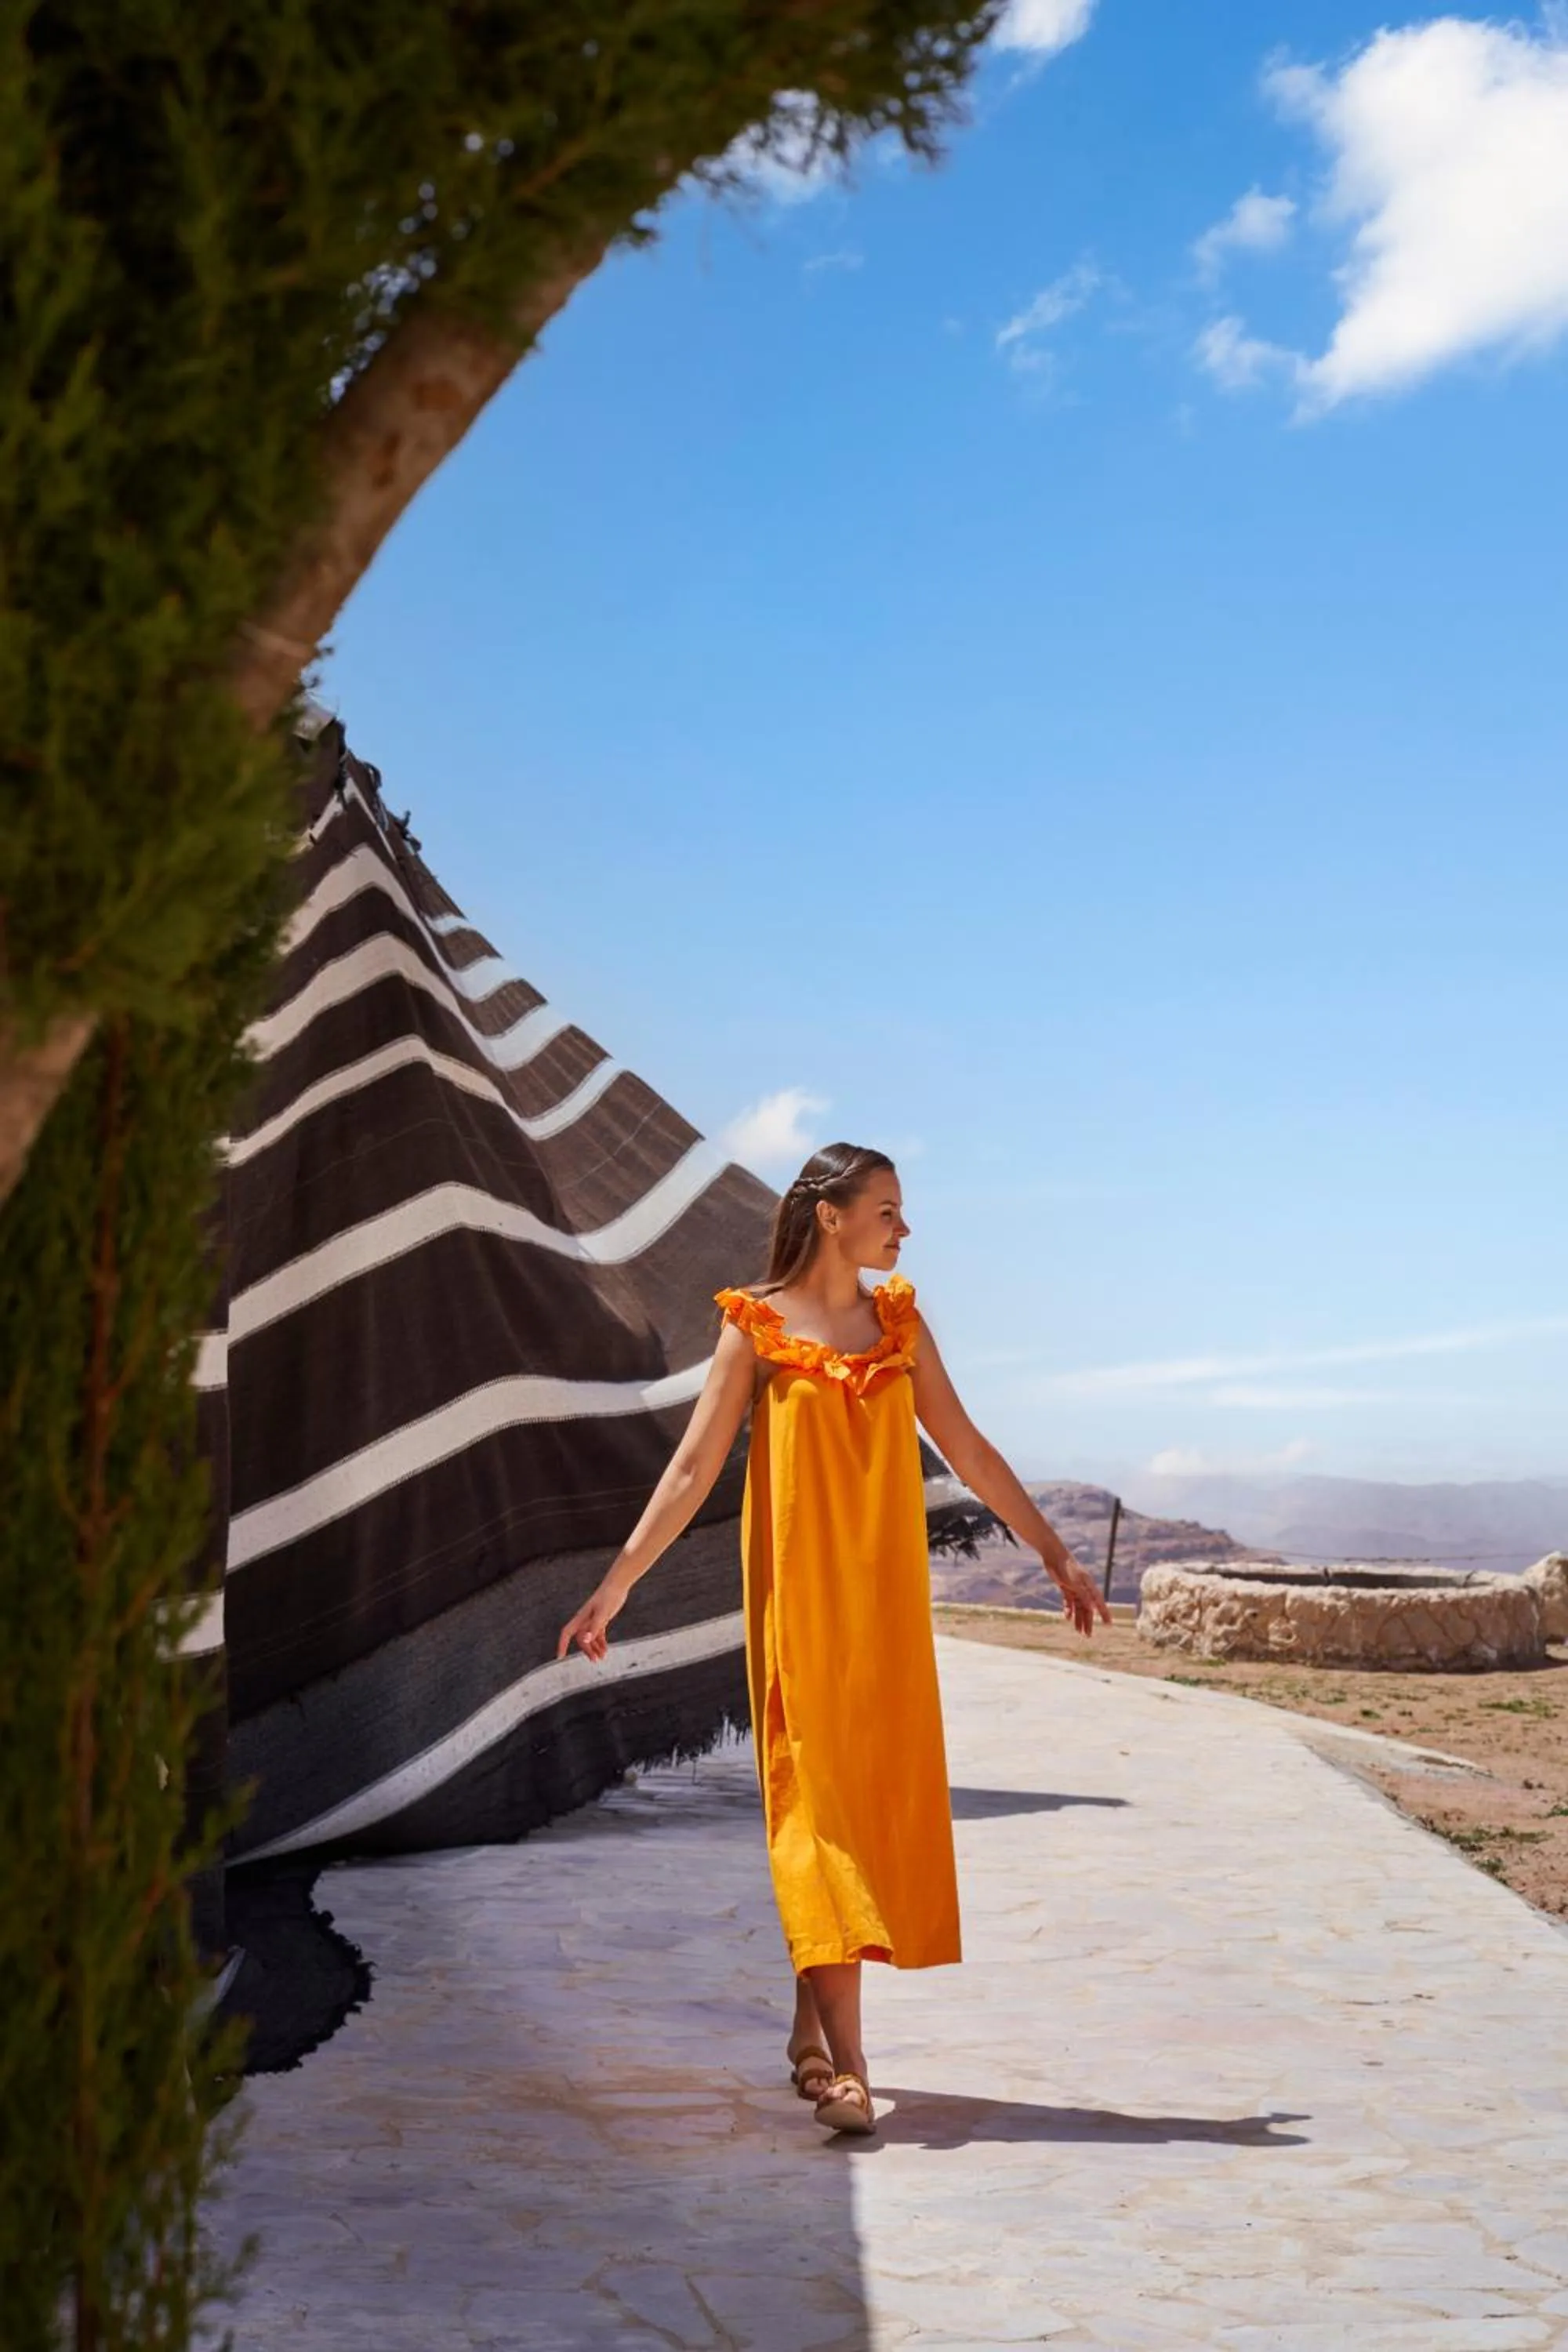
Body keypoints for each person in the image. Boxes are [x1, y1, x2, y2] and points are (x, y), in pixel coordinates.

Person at [557, 1142, 1111, 2135]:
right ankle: (850, 2066)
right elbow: (689, 1473)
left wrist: (1053, 1553)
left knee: (861, 1812)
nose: (904, 1229)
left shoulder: (896, 1324)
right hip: (802, 1611)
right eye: (888, 1210)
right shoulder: (757, 1329)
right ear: (832, 1217)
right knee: (814, 1817)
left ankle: (807, 2037)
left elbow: (968, 1446)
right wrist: (614, 1588)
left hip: (885, 1616)